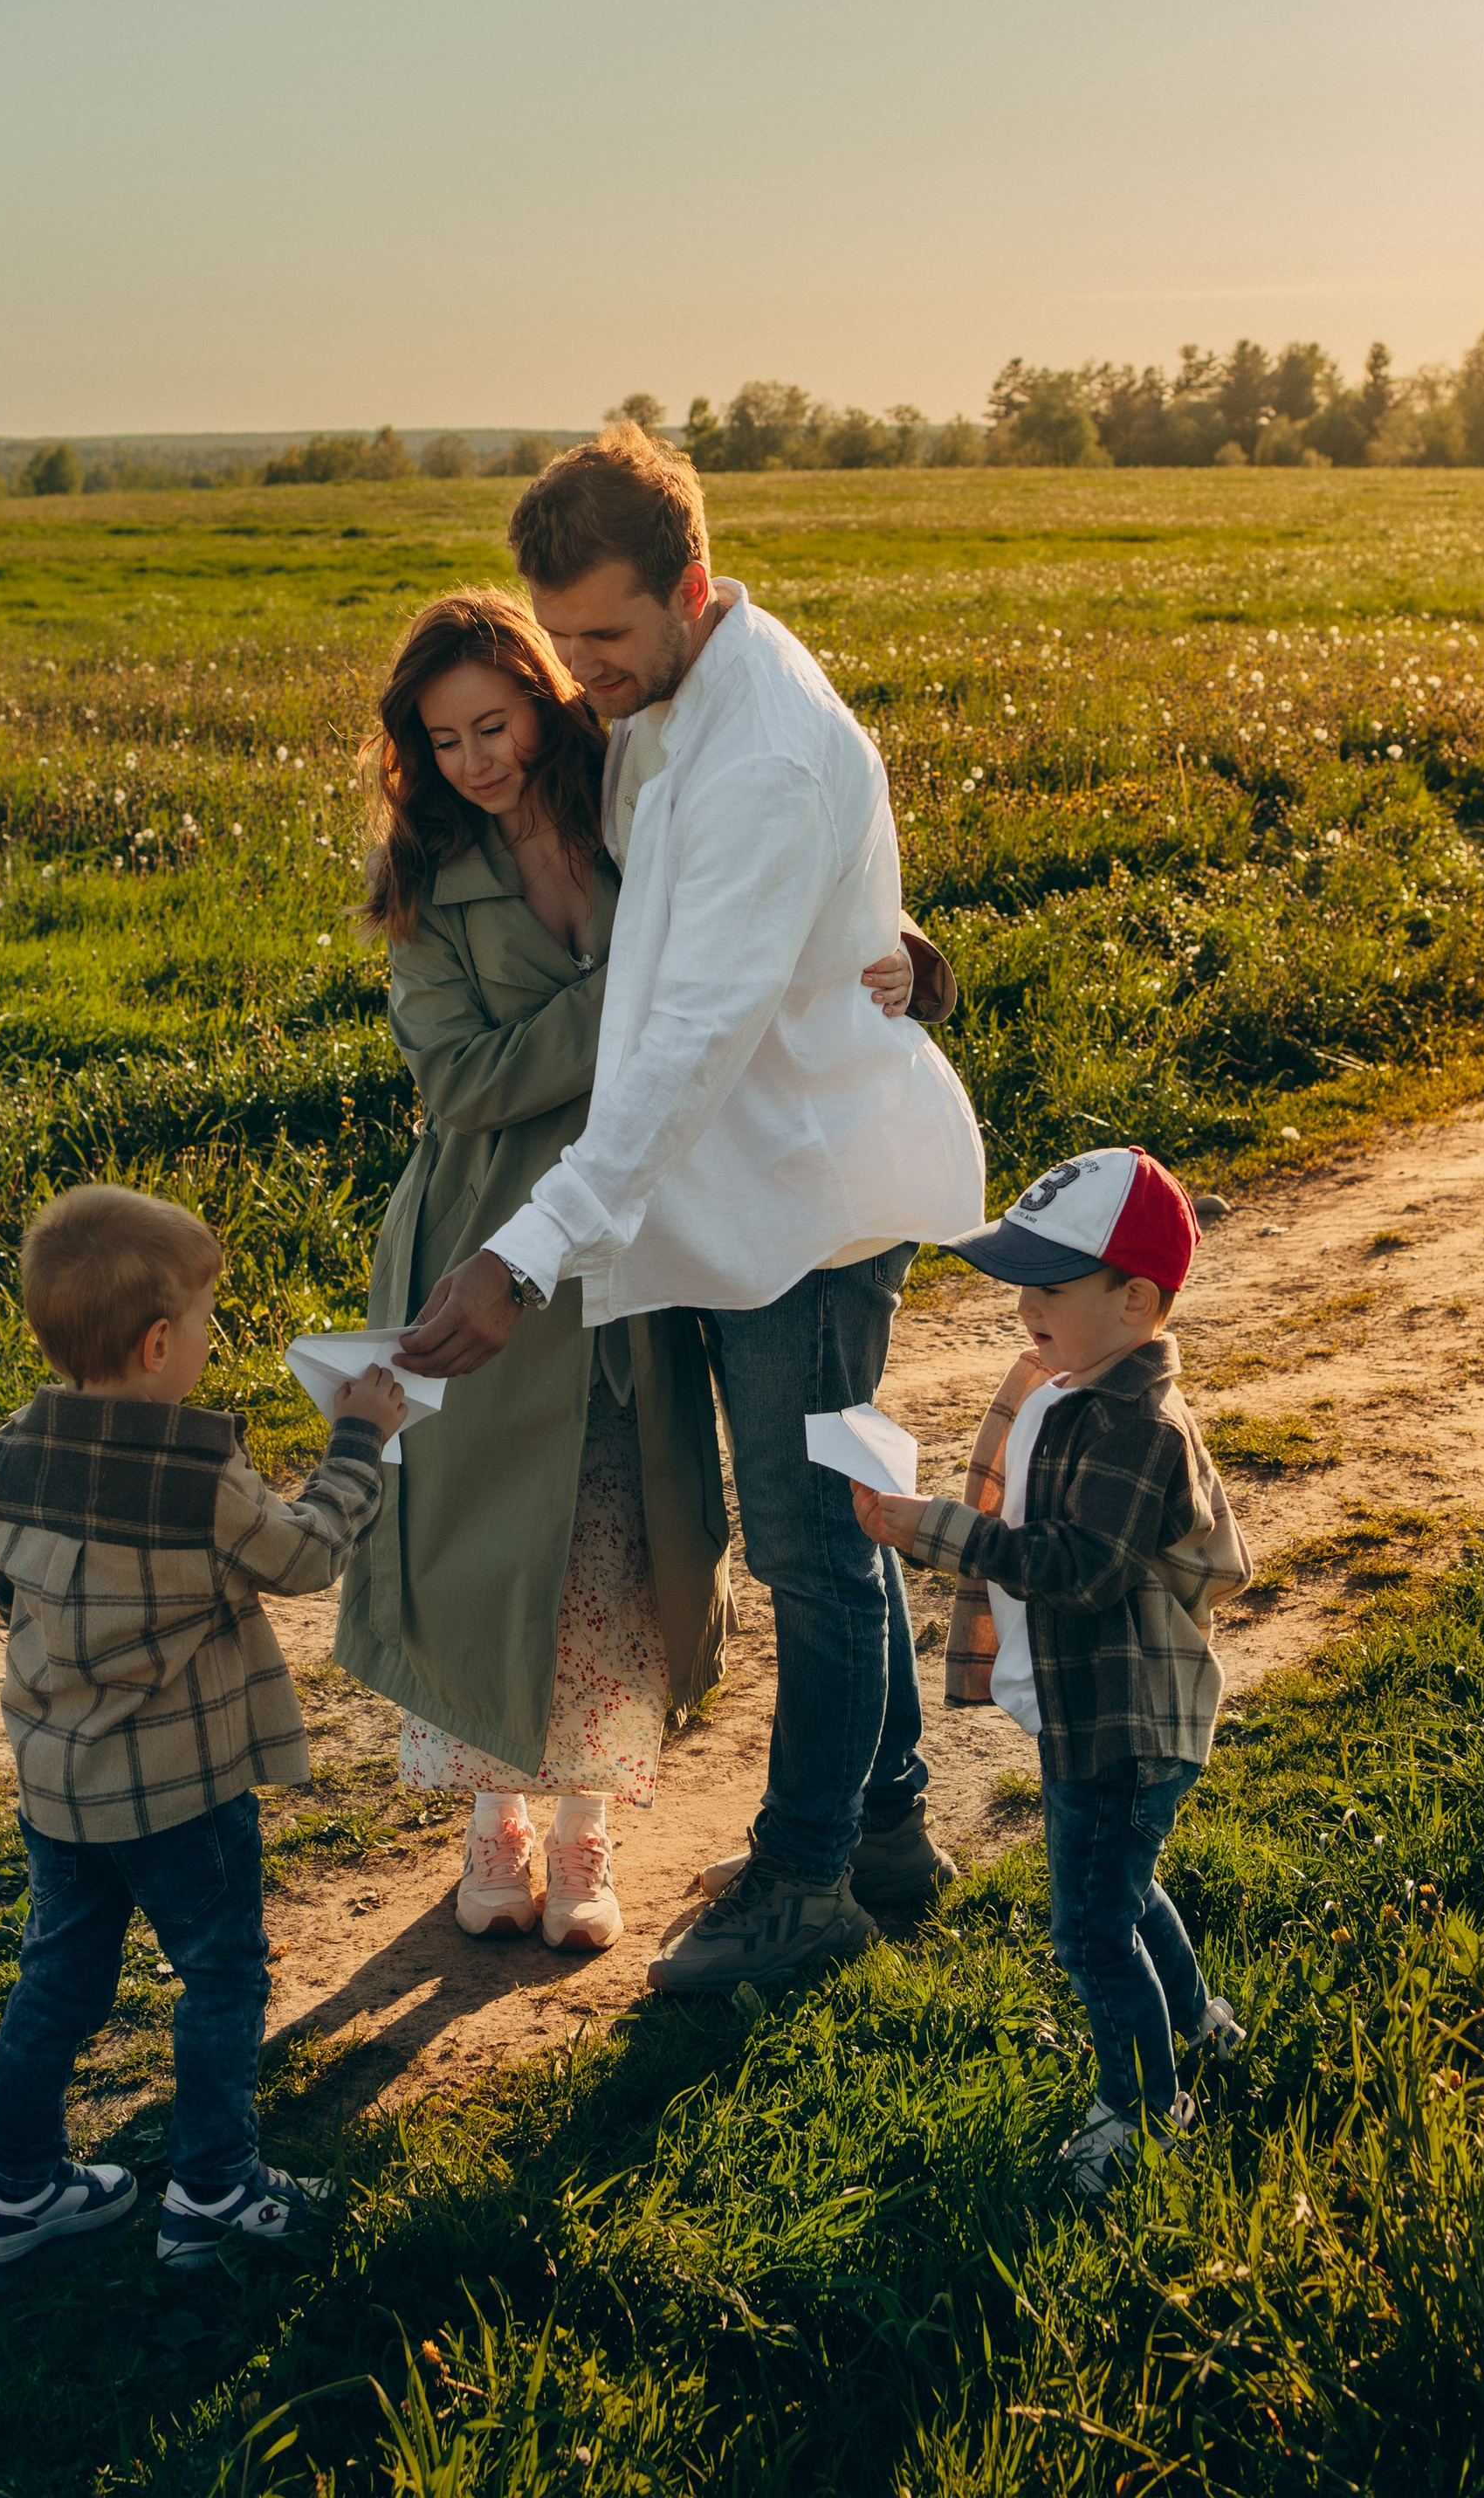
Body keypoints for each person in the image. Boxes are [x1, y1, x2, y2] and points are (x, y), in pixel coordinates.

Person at [397, 428, 987, 1997]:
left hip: (801, 1205)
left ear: (693, 589)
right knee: (829, 1531)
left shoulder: (758, 746)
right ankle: (885, 1831)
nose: (576, 668)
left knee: (812, 1548)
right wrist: (871, 921)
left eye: (601, 634)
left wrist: (522, 1259)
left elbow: (682, 1046)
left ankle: (801, 1888)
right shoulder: (673, 699)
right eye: (562, 635)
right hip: (740, 1201)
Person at [0, 1182, 404, 2272]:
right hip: (183, 1793)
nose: (210, 1340)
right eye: (205, 1323)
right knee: (222, 1974)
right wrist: (358, 1443)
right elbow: (301, 1557)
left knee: (58, 1976)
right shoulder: (195, 1476)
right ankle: (212, 2190)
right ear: (160, 1343)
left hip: (59, 1788)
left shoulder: (7, 1452)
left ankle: (10, 2188)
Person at [849, 1146, 1252, 2201]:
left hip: (1125, 1724)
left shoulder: (1134, 1425)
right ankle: (1197, 2030)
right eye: (1018, 1279)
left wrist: (940, 1531)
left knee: (1087, 1925)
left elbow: (1080, 1569)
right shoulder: (1081, 1387)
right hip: (1103, 1716)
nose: (1023, 1303)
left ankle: (1139, 2112)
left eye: (1048, 1285)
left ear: (1134, 1300)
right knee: (1116, 1888)